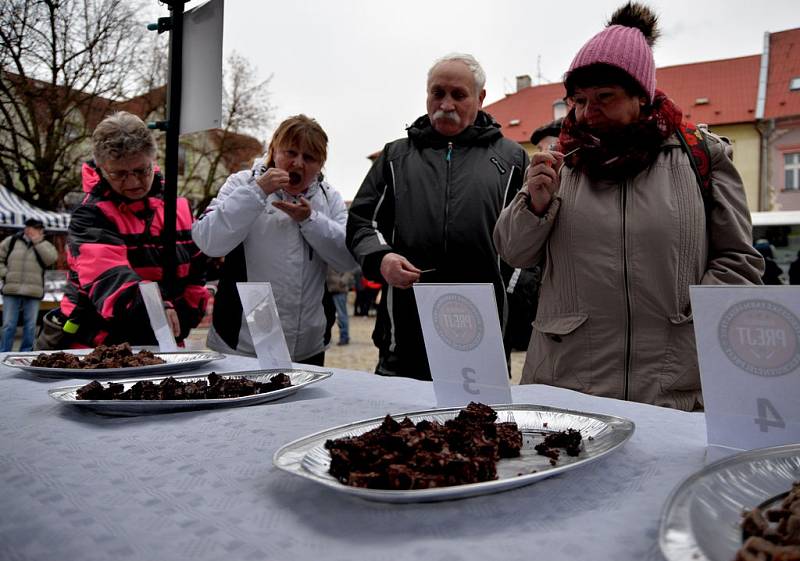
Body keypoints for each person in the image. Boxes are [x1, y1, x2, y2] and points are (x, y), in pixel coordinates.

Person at [493, 2, 764, 411]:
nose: (588, 112)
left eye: (604, 96)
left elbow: (740, 260)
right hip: (568, 384)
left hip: (672, 385)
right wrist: (533, 205)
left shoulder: (699, 156)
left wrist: (692, 321)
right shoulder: (561, 162)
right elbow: (513, 252)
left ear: (641, 94)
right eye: (579, 99)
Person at [347, 53, 529, 381]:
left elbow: (530, 240)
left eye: (458, 95)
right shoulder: (394, 156)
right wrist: (382, 258)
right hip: (405, 328)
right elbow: (362, 221)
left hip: (482, 330)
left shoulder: (512, 158)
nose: (446, 103)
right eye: (437, 93)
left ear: (480, 98)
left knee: (477, 428)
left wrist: (513, 300)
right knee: (399, 428)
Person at [192, 115, 356, 366]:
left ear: (320, 164)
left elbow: (347, 258)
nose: (298, 164)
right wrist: (257, 192)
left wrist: (311, 220)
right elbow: (208, 241)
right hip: (243, 342)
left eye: (309, 158)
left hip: (307, 345)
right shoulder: (242, 183)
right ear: (274, 150)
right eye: (291, 152)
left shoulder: (329, 197)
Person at [37, 111, 209, 349]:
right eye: (118, 174)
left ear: (153, 160)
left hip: (164, 341)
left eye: (140, 170)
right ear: (102, 168)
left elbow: (197, 271)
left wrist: (187, 313)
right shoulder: (90, 214)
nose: (132, 183)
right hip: (96, 345)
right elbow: (109, 278)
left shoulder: (178, 208)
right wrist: (156, 306)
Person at [0, 219, 58, 351]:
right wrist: (5, 274)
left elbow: (51, 260)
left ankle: (26, 351)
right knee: (8, 324)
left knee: (31, 325)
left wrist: (38, 242)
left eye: (39, 229)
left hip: (34, 291)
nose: (37, 231)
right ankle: (3, 352)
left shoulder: (45, 244)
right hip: (11, 289)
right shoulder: (12, 241)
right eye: (34, 228)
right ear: (26, 228)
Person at [326, 267, 354, 345]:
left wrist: (342, 281)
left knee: (342, 315)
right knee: (327, 315)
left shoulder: (341, 255)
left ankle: (344, 337)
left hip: (339, 290)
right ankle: (326, 337)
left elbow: (349, 269)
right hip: (327, 290)